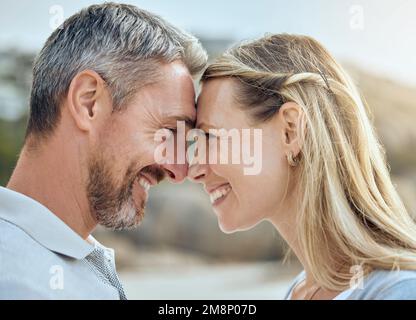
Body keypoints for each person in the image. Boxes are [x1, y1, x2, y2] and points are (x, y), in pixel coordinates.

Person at [0, 2, 207, 299]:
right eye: (170, 131)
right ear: (88, 103)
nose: (179, 171)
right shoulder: (19, 286)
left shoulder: (67, 258)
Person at [189, 33, 416, 299]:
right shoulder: (300, 291)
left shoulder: (400, 291)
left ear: (290, 131)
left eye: (212, 137)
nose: (195, 170)